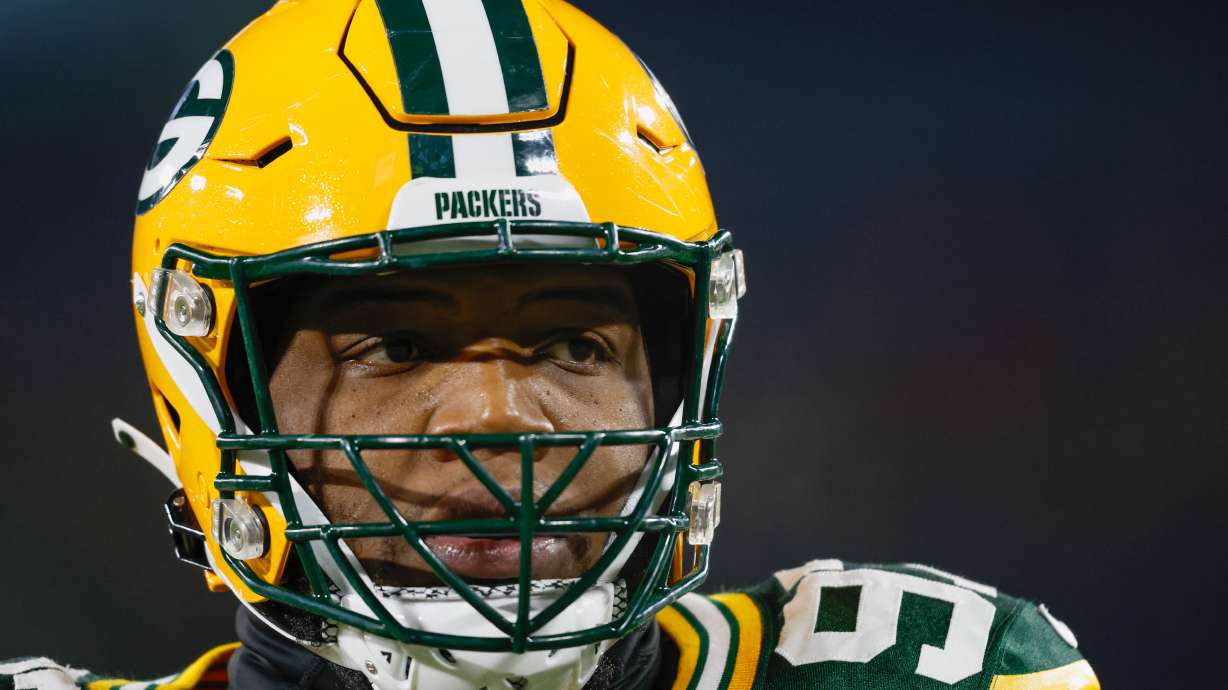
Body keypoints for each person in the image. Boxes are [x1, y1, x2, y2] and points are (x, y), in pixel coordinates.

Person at [1, 1, 1100, 689]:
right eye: (393, 344)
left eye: (573, 344)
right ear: (212, 385)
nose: (496, 415)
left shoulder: (925, 673)